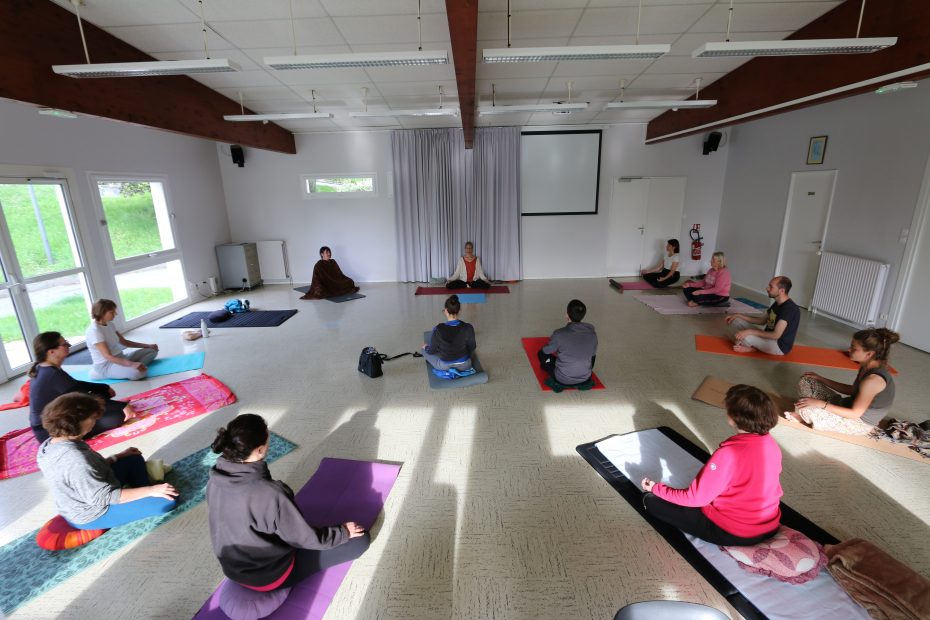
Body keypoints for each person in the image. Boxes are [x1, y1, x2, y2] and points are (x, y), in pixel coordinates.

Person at [206, 414, 369, 591]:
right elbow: (305, 538)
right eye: (269, 438)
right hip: (267, 576)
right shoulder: (271, 494)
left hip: (234, 569)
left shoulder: (214, 480)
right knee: (361, 540)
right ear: (260, 450)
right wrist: (343, 532)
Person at [641, 384, 782, 546]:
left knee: (650, 501)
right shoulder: (772, 445)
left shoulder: (727, 454)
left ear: (733, 417)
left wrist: (656, 488)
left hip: (734, 532)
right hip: (770, 525)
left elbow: (696, 498)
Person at [36, 392, 178, 530]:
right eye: (92, 417)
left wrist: (119, 456)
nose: (96, 420)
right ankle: (145, 494)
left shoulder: (50, 443)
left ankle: (140, 493)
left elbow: (91, 469)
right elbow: (103, 497)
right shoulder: (75, 458)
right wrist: (150, 490)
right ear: (76, 422)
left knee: (132, 458)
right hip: (94, 513)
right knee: (167, 501)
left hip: (93, 490)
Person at [28, 331, 136, 443]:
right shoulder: (53, 374)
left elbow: (74, 384)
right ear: (51, 352)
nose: (68, 345)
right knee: (118, 415)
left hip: (56, 419)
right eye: (64, 344)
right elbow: (85, 399)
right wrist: (122, 406)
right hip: (50, 432)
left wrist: (103, 387)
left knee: (104, 392)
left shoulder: (43, 367)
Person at [787, 328, 899, 435]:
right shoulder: (865, 366)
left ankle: (805, 414)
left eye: (854, 348)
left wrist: (820, 404)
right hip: (845, 405)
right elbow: (853, 390)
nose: (849, 350)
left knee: (806, 410)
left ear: (869, 354)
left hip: (857, 423)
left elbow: (855, 414)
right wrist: (821, 379)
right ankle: (811, 411)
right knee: (807, 381)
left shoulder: (873, 380)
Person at [724, 276, 800, 355]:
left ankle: (751, 347)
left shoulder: (790, 309)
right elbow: (761, 321)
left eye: (771, 287)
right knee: (734, 321)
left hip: (778, 345)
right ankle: (751, 345)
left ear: (782, 291)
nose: (767, 288)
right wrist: (739, 315)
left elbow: (776, 335)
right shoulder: (777, 303)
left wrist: (749, 332)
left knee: (745, 338)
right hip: (766, 337)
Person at [86, 299, 159, 380]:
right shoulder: (94, 331)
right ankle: (100, 374)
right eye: (112, 312)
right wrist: (131, 364)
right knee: (139, 373)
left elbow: (125, 342)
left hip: (121, 357)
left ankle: (135, 367)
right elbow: (108, 357)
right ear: (101, 313)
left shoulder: (110, 324)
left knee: (152, 351)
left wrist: (148, 346)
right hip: (106, 365)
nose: (115, 314)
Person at [538, 299, 598, 386]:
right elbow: (593, 356)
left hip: (562, 379)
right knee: (591, 354)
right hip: (585, 377)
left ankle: (547, 367)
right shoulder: (593, 334)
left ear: (567, 315)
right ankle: (581, 370)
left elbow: (545, 351)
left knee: (541, 354)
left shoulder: (559, 334)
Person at [421, 295, 476, 371]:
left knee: (423, 350)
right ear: (459, 310)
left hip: (445, 366)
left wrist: (426, 347)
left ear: (446, 311)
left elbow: (431, 351)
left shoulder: (438, 329)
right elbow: (472, 347)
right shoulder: (468, 327)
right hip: (465, 365)